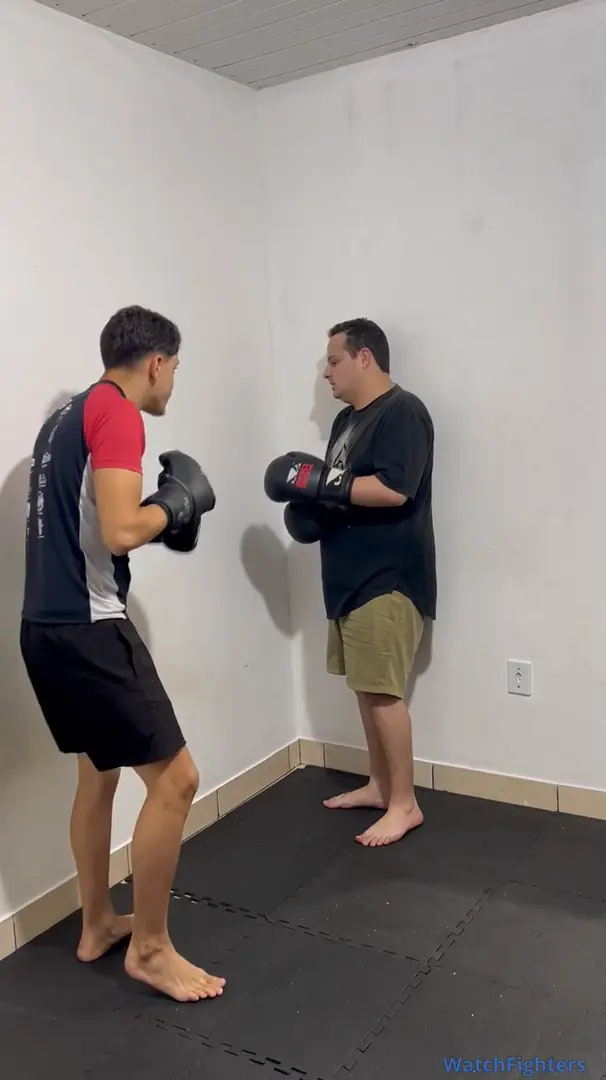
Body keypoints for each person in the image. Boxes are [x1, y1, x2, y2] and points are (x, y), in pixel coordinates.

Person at [19, 305, 225, 1002]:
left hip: (43, 629)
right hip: (90, 630)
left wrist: (159, 513)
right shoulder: (116, 411)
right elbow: (118, 530)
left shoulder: (62, 419)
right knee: (178, 781)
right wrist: (176, 505)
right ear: (156, 362)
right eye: (176, 370)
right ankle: (152, 949)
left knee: (97, 775)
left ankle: (97, 922)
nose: (173, 384)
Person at [264, 318, 436, 848]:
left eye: (334, 361)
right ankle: (381, 786)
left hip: (389, 578)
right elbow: (338, 490)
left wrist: (324, 484)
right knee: (366, 689)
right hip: (347, 578)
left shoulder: (403, 411)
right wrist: (316, 501)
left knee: (384, 694)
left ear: (365, 357)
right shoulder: (345, 421)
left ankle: (405, 804)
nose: (327, 373)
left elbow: (394, 489)